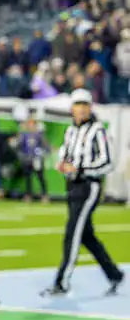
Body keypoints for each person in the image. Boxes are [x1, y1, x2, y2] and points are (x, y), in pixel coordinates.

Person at [41, 89, 124, 297]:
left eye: (85, 105)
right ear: (72, 108)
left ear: (90, 107)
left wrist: (80, 169)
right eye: (78, 105)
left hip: (89, 186)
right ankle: (114, 274)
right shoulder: (70, 131)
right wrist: (63, 164)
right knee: (86, 236)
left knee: (72, 233)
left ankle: (62, 282)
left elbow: (107, 162)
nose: (81, 109)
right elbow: (66, 153)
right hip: (73, 186)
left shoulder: (97, 130)